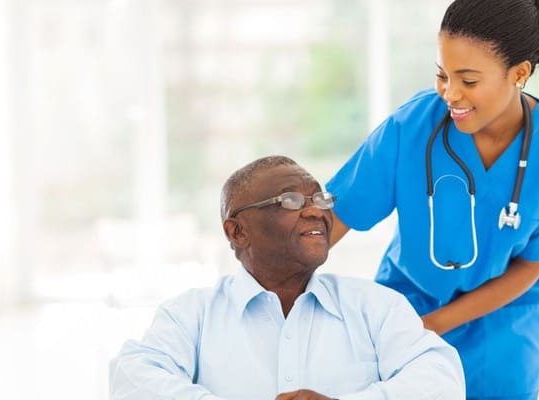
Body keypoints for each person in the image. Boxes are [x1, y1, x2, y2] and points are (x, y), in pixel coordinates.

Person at [325, 0, 539, 399]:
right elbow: (334, 219)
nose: (450, 93)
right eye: (442, 75)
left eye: (468, 81)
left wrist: (434, 324)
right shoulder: (411, 127)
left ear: (519, 73)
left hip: (502, 331)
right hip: (405, 314)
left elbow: (532, 264)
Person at [109, 155, 465, 400]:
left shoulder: (375, 306)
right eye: (292, 200)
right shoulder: (190, 315)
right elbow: (132, 379)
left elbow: (441, 378)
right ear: (237, 231)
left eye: (320, 199)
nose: (315, 211)